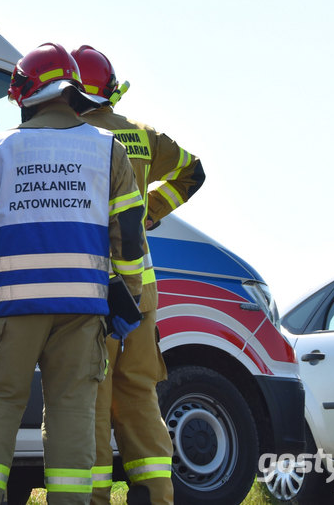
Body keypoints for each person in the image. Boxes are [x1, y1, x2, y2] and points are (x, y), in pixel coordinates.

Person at [0, 43, 147, 505]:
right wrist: (128, 298)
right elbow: (130, 234)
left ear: (24, 92)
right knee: (73, 410)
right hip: (83, 309)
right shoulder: (107, 148)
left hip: (16, 305)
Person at [71, 45, 205, 505]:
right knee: (140, 395)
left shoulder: (69, 136)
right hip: (141, 288)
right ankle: (155, 494)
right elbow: (194, 171)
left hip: (92, 287)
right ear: (110, 89)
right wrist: (152, 211)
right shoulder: (141, 135)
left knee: (91, 398)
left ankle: (94, 498)